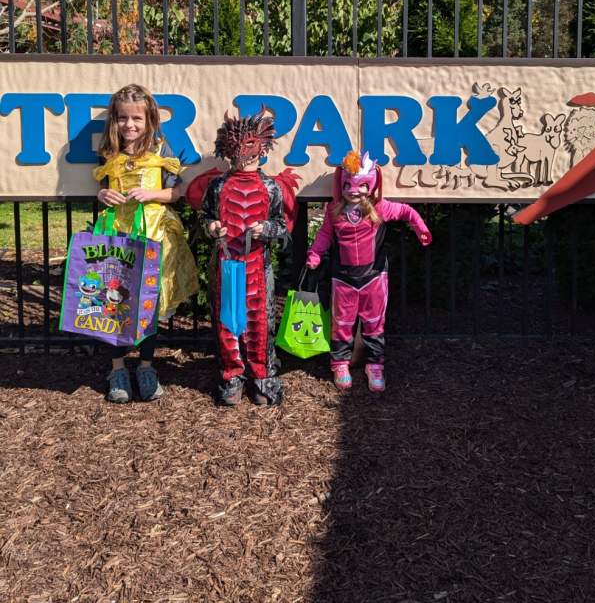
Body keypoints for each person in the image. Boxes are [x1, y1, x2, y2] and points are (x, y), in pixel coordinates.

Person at [94, 84, 198, 403]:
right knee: (114, 302)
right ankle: (117, 369)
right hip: (118, 233)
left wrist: (151, 194)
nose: (130, 125)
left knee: (148, 303)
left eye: (137, 118)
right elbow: (101, 188)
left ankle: (147, 366)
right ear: (115, 120)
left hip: (152, 232)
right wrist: (102, 194)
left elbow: (175, 193)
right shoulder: (109, 152)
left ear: (149, 119)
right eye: (124, 118)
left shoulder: (160, 150)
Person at [306, 150, 432, 393]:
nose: (355, 191)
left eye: (363, 185)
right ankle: (340, 364)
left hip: (373, 278)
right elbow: (324, 236)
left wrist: (421, 228)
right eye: (348, 185)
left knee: (375, 323)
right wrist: (314, 254)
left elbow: (406, 212)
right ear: (340, 184)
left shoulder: (379, 207)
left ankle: (375, 365)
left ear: (372, 184)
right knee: (341, 323)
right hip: (343, 279)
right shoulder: (334, 210)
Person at [196, 111, 289, 407]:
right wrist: (211, 227)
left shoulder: (272, 187)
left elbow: (282, 226)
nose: (242, 155)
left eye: (249, 147)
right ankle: (231, 375)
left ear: (262, 148)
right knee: (227, 322)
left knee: (260, 321)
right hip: (227, 265)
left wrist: (267, 229)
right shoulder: (218, 186)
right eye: (236, 148)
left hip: (258, 266)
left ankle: (263, 375)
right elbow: (205, 218)